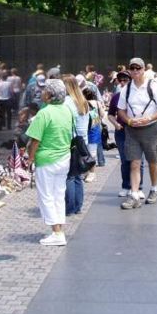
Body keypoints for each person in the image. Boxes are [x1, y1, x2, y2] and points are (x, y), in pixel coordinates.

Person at [25, 79, 73, 246]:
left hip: (46, 159)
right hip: (64, 157)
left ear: (50, 95)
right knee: (59, 195)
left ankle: (57, 233)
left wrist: (30, 159)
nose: (42, 93)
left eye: (45, 90)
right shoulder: (67, 110)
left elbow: (35, 140)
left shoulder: (44, 113)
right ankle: (58, 228)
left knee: (46, 196)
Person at [117, 57, 157, 209]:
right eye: (132, 68)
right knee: (134, 163)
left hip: (151, 129)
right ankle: (134, 194)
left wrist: (149, 118)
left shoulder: (153, 86)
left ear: (144, 69)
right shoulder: (126, 88)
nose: (135, 71)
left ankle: (154, 189)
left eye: (138, 68)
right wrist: (129, 121)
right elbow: (120, 110)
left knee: (153, 162)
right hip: (132, 130)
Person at [108, 71, 143, 197]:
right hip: (122, 130)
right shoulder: (116, 96)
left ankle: (138, 187)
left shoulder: (139, 94)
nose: (122, 82)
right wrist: (115, 124)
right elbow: (111, 114)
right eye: (120, 80)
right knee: (125, 160)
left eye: (125, 80)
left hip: (138, 130)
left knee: (138, 160)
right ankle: (126, 185)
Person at [63, 76, 89, 215]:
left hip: (71, 141)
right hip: (82, 141)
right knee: (78, 175)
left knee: (70, 176)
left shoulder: (67, 102)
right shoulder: (82, 101)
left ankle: (70, 207)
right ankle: (78, 206)